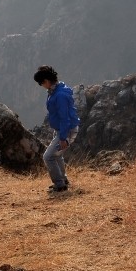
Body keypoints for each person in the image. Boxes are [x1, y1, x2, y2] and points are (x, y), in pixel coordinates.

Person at [35, 65, 79, 193]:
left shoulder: (60, 95)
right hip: (62, 129)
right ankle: (63, 180)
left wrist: (63, 137)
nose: (41, 86)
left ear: (46, 81)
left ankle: (59, 185)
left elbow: (65, 118)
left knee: (48, 157)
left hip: (66, 130)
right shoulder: (56, 90)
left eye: (41, 83)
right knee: (57, 155)